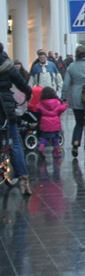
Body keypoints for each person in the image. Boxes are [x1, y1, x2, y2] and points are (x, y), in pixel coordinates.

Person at [0, 43, 33, 195]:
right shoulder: (8, 66)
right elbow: (22, 83)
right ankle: (23, 178)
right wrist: (28, 94)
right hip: (5, 109)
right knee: (14, 142)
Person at [35, 86, 67, 158]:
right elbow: (62, 109)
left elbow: (37, 108)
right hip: (55, 124)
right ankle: (56, 152)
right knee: (55, 138)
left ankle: (41, 147)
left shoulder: (42, 103)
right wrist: (65, 104)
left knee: (44, 138)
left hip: (45, 124)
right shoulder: (57, 102)